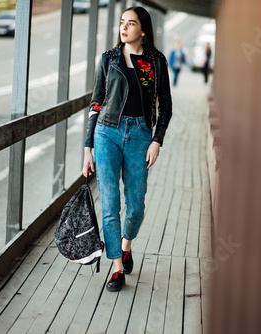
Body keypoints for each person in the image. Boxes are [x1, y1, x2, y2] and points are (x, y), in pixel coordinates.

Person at [82, 6, 173, 292]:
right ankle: (117, 267)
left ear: (143, 30)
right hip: (107, 133)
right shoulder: (108, 59)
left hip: (140, 135)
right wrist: (88, 147)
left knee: (135, 205)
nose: (124, 28)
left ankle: (126, 244)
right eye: (122, 22)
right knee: (109, 204)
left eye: (131, 23)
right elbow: (96, 102)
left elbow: (166, 106)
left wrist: (157, 140)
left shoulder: (155, 62)